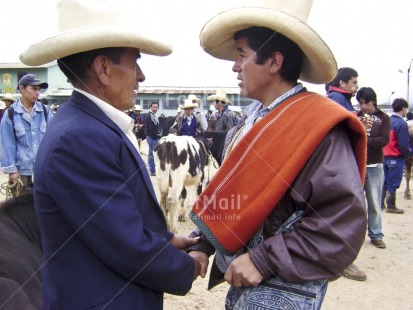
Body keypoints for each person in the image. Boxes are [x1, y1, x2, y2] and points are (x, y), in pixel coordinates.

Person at [19, 0, 202, 309]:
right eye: (134, 63)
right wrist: (190, 266)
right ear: (103, 69)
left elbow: (115, 220)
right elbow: (127, 246)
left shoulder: (87, 125)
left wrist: (168, 242)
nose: (141, 76)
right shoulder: (80, 138)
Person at [188, 1, 367, 309]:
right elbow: (238, 195)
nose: (235, 66)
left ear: (273, 62)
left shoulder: (319, 126)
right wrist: (204, 243)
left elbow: (341, 223)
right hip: (247, 283)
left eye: (242, 55)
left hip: (285, 291)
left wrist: (262, 259)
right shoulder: (248, 122)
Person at [326, 66, 368, 281]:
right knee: (343, 213)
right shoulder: (335, 99)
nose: (356, 86)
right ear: (342, 83)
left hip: (340, 163)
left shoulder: (342, 100)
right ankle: (342, 261)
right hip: (337, 165)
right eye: (353, 83)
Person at [0, 74, 53, 193]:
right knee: (22, 209)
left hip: (43, 170)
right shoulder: (10, 114)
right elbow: (7, 144)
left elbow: (53, 140)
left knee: (43, 208)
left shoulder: (45, 112)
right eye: (34, 89)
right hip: (22, 173)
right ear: (22, 89)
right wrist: (12, 171)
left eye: (39, 89)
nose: (38, 93)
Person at [356, 87, 390, 248]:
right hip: (357, 165)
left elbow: (384, 140)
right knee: (355, 203)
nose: (363, 107)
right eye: (360, 103)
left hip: (375, 166)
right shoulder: (356, 117)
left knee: (374, 202)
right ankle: (354, 236)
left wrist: (364, 138)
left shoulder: (383, 118)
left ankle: (376, 234)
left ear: (373, 101)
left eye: (366, 103)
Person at [383, 98, 411, 214]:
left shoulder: (387, 121)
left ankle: (380, 204)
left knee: (384, 181)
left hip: (384, 156)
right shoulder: (401, 123)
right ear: (403, 108)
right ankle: (391, 205)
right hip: (395, 156)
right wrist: (408, 154)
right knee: (393, 182)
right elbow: (403, 144)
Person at [145, 101, 162, 176]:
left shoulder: (153, 115)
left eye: (156, 107)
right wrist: (157, 136)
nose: (155, 108)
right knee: (153, 153)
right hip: (152, 137)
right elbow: (151, 129)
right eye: (154, 107)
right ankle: (152, 170)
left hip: (152, 137)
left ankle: (151, 168)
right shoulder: (150, 116)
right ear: (150, 107)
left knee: (151, 153)